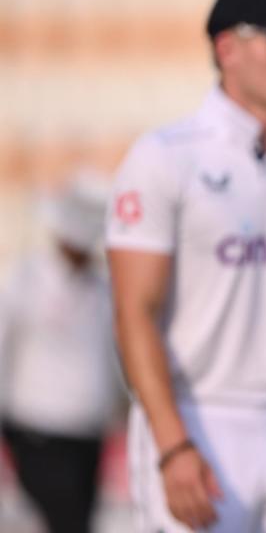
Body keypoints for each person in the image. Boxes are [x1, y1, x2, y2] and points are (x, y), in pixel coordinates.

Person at [106, 0, 266, 532]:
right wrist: (173, 447)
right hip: (199, 421)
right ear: (228, 49)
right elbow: (133, 314)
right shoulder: (164, 158)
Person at [0, 171, 120, 533]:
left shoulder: (103, 288)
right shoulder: (24, 279)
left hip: (89, 430)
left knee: (80, 521)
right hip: (37, 428)